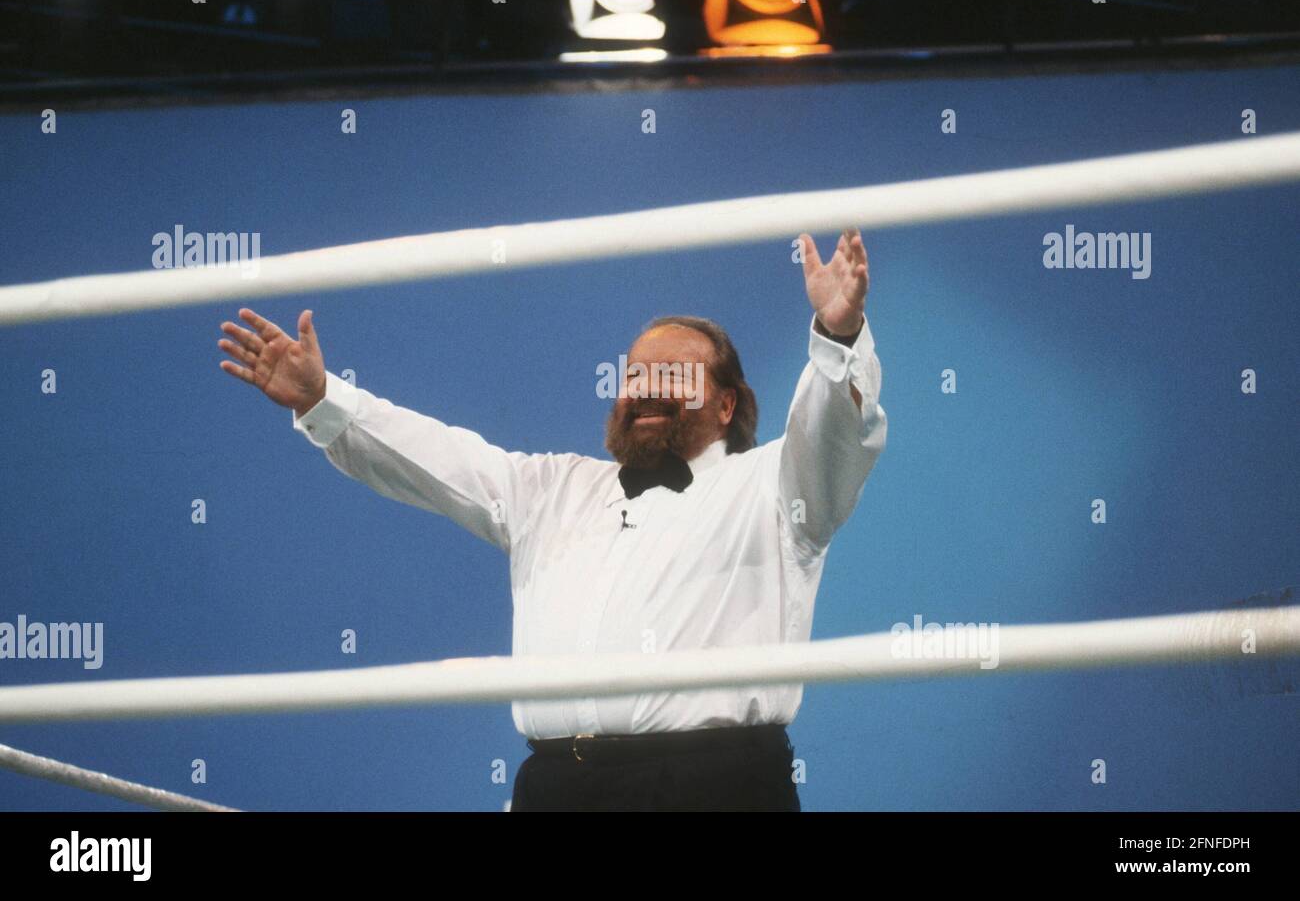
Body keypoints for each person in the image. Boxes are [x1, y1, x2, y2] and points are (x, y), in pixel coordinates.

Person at [217, 228, 887, 811]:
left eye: (676, 376)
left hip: (717, 790)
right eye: (633, 377)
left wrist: (836, 336)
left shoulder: (774, 485)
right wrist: (324, 398)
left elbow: (834, 432)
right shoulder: (551, 488)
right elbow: (432, 457)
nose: (648, 388)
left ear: (724, 405)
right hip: (558, 789)